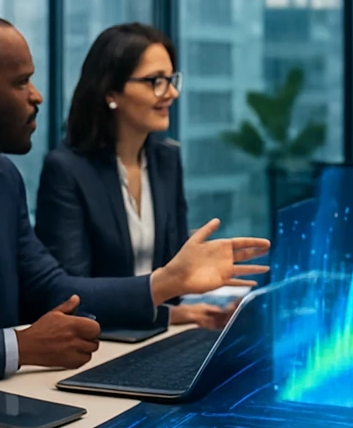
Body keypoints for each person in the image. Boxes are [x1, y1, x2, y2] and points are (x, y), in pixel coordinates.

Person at [0, 14, 269, 408]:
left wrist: (165, 281)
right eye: (22, 82)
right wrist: (19, 346)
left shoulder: (4, 181)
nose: (37, 96)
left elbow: (55, 289)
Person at [35, 24, 232, 330]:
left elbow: (176, 274)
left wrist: (195, 308)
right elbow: (70, 297)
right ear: (111, 92)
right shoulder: (66, 169)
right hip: (99, 342)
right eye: (155, 81)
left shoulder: (166, 160)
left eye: (171, 79)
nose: (171, 92)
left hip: (156, 334)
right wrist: (168, 314)